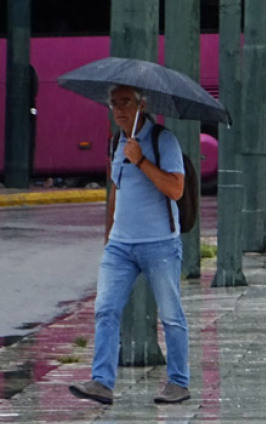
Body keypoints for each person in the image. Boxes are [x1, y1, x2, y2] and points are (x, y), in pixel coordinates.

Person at [68, 84, 191, 406]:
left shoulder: (163, 140)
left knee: (171, 315)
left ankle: (178, 383)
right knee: (105, 309)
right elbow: (116, 192)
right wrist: (109, 237)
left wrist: (140, 161)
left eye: (125, 103)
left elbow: (176, 189)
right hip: (120, 248)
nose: (119, 110)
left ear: (142, 104)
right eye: (114, 104)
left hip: (160, 245)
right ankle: (102, 382)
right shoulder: (116, 142)